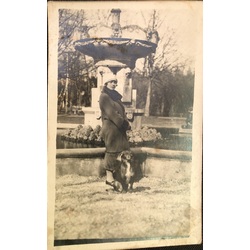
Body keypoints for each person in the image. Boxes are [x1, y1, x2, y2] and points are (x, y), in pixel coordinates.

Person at [99, 76, 131, 192]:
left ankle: (119, 179)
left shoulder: (116, 97)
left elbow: (121, 113)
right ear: (106, 83)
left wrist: (126, 122)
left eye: (115, 82)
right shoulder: (104, 97)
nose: (114, 84)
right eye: (112, 82)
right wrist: (125, 124)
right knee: (112, 152)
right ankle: (110, 179)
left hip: (119, 129)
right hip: (111, 130)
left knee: (122, 151)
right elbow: (112, 114)